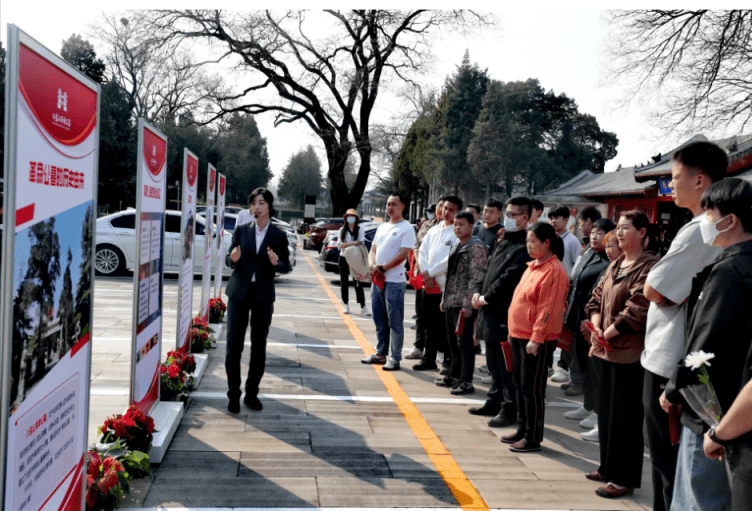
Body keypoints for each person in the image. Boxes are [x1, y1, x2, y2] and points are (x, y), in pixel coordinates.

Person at [641, 140, 727, 511]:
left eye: (675, 178)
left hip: (671, 358)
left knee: (669, 464)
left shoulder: (701, 231)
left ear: (701, 181)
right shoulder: (708, 227)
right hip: (682, 357)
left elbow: (654, 288)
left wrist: (659, 289)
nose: (670, 186)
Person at [664, 179, 752, 511]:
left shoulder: (728, 272)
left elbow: (705, 343)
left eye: (709, 211)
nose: (704, 220)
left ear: (730, 220)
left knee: (697, 497)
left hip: (710, 410)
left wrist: (673, 389)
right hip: (741, 409)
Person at [584, 211, 659, 499]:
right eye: (618, 227)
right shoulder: (615, 263)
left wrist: (610, 331)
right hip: (604, 349)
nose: (619, 232)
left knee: (626, 417)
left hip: (628, 352)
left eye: (626, 227)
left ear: (642, 233)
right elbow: (595, 297)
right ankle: (606, 466)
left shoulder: (649, 265)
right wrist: (597, 324)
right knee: (606, 412)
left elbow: (639, 306)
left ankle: (624, 477)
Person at [503, 222, 569, 453]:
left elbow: (548, 308)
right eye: (527, 241)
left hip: (535, 339)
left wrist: (537, 337)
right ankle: (522, 428)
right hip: (519, 334)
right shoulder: (533, 266)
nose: (528, 246)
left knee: (533, 389)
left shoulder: (554, 270)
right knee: (521, 385)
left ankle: (532, 437)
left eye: (533, 241)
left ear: (547, 243)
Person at [225, 188, 291, 413]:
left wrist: (276, 263)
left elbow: (286, 265)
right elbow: (229, 258)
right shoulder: (242, 230)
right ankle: (234, 394)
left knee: (258, 346)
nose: (256, 207)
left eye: (261, 203)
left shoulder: (279, 235)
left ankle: (251, 394)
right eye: (253, 203)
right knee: (234, 345)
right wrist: (232, 259)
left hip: (262, 295)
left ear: (269, 207)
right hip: (238, 293)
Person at [469, 196, 532, 427]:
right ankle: (494, 400)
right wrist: (477, 291)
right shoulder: (503, 240)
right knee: (493, 362)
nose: (509, 218)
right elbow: (488, 270)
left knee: (507, 366)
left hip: (505, 313)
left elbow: (509, 278)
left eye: (514, 215)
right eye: (507, 213)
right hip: (488, 311)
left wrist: (486, 297)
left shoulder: (525, 246)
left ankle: (509, 408)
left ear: (525, 218)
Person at [562, 218, 615, 423]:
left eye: (600, 233)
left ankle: (598, 412)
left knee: (595, 369)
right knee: (582, 365)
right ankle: (588, 405)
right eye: (593, 232)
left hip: (593, 322)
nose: (594, 236)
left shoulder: (609, 261)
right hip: (576, 318)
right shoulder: (587, 253)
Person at [361, 192, 415, 371]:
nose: (390, 207)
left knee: (395, 321)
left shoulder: (406, 228)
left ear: (402, 207)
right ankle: (380, 353)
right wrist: (371, 265)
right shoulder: (382, 227)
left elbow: (403, 254)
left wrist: (384, 267)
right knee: (379, 319)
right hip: (377, 280)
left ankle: (395, 357)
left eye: (394, 204)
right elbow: (373, 249)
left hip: (394, 281)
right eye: (388, 204)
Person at [580, 228, 623, 443]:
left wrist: (605, 332)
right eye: (606, 245)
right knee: (595, 378)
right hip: (598, 331)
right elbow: (595, 298)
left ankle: (603, 423)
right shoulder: (609, 268)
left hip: (616, 337)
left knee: (610, 388)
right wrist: (595, 327)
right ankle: (597, 416)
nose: (608, 249)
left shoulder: (632, 269)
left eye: (612, 245)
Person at [438, 212, 488, 394]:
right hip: (451, 301)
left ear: (472, 226)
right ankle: (454, 375)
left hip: (463, 304)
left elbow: (477, 277)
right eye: (455, 224)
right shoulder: (457, 245)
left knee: (465, 344)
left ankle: (466, 380)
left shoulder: (476, 247)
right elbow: (449, 275)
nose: (457, 227)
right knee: (452, 342)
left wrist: (468, 304)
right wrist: (444, 298)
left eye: (462, 224)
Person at [413, 196, 462, 373]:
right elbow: (423, 251)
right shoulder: (434, 229)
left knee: (445, 327)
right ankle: (429, 358)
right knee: (429, 324)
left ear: (458, 212)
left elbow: (449, 260)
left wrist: (430, 273)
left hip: (444, 287)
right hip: (429, 285)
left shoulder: (457, 232)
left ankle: (447, 362)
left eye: (451, 209)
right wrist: (425, 272)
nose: (446, 212)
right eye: (445, 208)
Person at [406, 200, 444, 360]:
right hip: (422, 274)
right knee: (421, 314)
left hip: (439, 277)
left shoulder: (452, 228)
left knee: (439, 317)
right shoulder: (427, 225)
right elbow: (417, 245)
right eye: (439, 206)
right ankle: (419, 346)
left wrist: (430, 271)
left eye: (445, 207)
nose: (441, 210)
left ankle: (441, 350)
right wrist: (421, 267)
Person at [338, 209, 369, 316]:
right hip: (343, 258)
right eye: (348, 216)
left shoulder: (360, 229)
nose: (350, 218)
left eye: (352, 216)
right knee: (344, 282)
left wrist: (347, 244)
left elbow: (360, 243)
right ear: (346, 218)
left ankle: (363, 307)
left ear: (356, 218)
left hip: (356, 259)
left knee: (358, 282)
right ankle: (345, 305)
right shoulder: (342, 230)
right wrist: (353, 243)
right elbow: (340, 245)